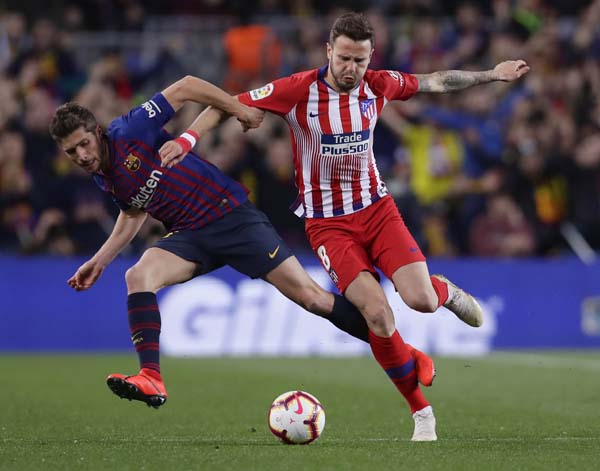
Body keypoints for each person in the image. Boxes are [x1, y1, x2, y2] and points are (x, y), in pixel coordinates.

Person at [159, 12, 530, 441]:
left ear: (370, 57)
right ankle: (421, 414)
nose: (352, 68)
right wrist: (186, 141)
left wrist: (491, 75)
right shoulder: (297, 90)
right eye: (345, 58)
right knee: (377, 314)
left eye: (360, 60)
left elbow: (435, 81)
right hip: (328, 226)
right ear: (329, 52)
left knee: (422, 301)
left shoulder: (378, 84)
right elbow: (226, 104)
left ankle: (441, 289)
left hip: (377, 211)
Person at [49, 74, 436, 414]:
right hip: (190, 235)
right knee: (138, 275)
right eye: (72, 152)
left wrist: (238, 109)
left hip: (231, 216)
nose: (82, 156)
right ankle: (152, 376)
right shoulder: (105, 177)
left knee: (312, 298)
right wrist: (100, 260)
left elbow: (185, 86)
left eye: (84, 144)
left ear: (96, 132)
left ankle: (402, 352)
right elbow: (133, 212)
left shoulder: (129, 130)